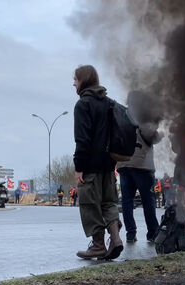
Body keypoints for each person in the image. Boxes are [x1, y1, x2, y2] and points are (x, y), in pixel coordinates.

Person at [72, 64, 123, 260]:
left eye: (75, 79)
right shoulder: (109, 103)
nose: (73, 83)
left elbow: (82, 140)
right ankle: (116, 238)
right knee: (109, 203)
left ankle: (98, 245)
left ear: (83, 81)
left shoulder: (83, 105)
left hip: (91, 166)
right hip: (109, 165)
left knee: (89, 205)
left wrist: (79, 167)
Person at [116, 91, 162, 243]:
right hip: (142, 165)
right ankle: (152, 232)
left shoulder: (121, 115)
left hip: (123, 164)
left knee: (127, 202)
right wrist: (159, 133)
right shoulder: (143, 116)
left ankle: (131, 233)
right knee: (148, 200)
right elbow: (151, 135)